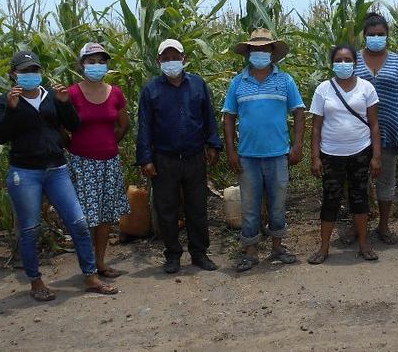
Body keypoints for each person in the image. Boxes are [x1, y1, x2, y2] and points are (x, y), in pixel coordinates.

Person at [0, 51, 117, 301]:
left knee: (78, 222)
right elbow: (0, 136)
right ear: (13, 75)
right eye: (24, 71)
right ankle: (36, 281)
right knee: (30, 229)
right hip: (25, 172)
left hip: (57, 169)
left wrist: (64, 103)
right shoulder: (5, 102)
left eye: (34, 70)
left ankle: (90, 275)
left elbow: (74, 126)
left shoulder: (51, 95)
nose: (30, 75)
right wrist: (13, 111)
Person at [223, 28, 306, 272]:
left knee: (278, 203)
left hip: (278, 154)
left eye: (264, 49)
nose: (260, 53)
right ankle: (250, 251)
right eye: (255, 49)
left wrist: (297, 145)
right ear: (248, 53)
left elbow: (299, 112)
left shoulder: (285, 80)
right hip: (248, 156)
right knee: (249, 206)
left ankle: (277, 247)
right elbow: (228, 117)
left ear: (272, 52)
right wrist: (231, 151)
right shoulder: (238, 82)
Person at [137, 39, 222, 274]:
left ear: (184, 59)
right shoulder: (151, 90)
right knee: (166, 209)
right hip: (165, 158)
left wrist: (213, 144)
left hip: (194, 156)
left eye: (176, 57)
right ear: (159, 61)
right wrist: (146, 158)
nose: (171, 61)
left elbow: (209, 117)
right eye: (166, 58)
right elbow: (144, 125)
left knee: (197, 207)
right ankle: (172, 255)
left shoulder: (197, 85)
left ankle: (199, 253)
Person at [308, 44, 383, 264]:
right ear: (332, 63)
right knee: (330, 199)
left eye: (347, 60)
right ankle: (323, 249)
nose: (343, 64)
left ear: (354, 63)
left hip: (360, 151)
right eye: (338, 60)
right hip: (330, 154)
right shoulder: (323, 89)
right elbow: (316, 127)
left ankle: (364, 245)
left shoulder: (366, 88)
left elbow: (375, 125)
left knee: (359, 199)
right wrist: (315, 157)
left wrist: (376, 156)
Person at [67, 43, 130, 278]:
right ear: (82, 64)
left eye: (101, 61)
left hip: (109, 162)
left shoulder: (115, 93)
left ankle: (101, 262)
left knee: (104, 216)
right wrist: (74, 147)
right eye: (91, 61)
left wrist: (110, 144)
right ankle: (88, 265)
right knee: (84, 218)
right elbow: (61, 128)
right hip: (81, 163)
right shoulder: (72, 94)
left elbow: (124, 125)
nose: (96, 66)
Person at [354, 12, 398, 244]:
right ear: (364, 36)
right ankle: (357, 226)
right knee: (358, 181)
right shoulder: (353, 61)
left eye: (381, 34)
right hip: (357, 133)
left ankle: (383, 226)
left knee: (386, 181)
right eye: (372, 35)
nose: (376, 38)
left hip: (389, 132)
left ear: (388, 36)